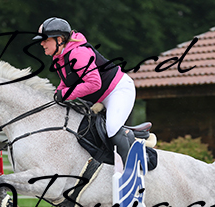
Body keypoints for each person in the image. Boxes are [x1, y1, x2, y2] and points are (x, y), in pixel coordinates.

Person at [34, 17, 137, 163]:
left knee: (112, 128)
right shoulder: (59, 57)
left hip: (118, 90)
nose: (42, 43)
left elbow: (94, 83)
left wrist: (64, 94)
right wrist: (56, 95)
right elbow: (66, 81)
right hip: (101, 97)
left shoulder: (78, 53)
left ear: (59, 39)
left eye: (45, 40)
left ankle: (131, 167)